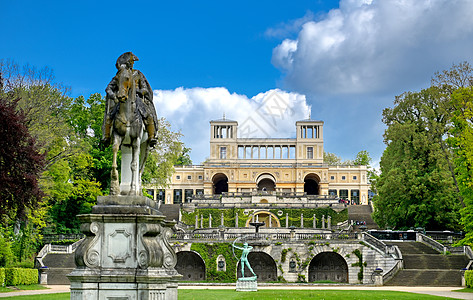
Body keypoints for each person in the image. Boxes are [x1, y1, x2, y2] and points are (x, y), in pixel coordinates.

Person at [102, 52, 158, 146]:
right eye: (131, 62)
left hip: (136, 99)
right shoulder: (119, 75)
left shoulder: (138, 74)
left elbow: (144, 88)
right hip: (121, 99)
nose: (132, 64)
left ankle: (151, 136)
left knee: (148, 115)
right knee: (109, 116)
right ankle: (106, 137)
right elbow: (109, 88)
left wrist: (140, 91)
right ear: (128, 62)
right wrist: (114, 96)